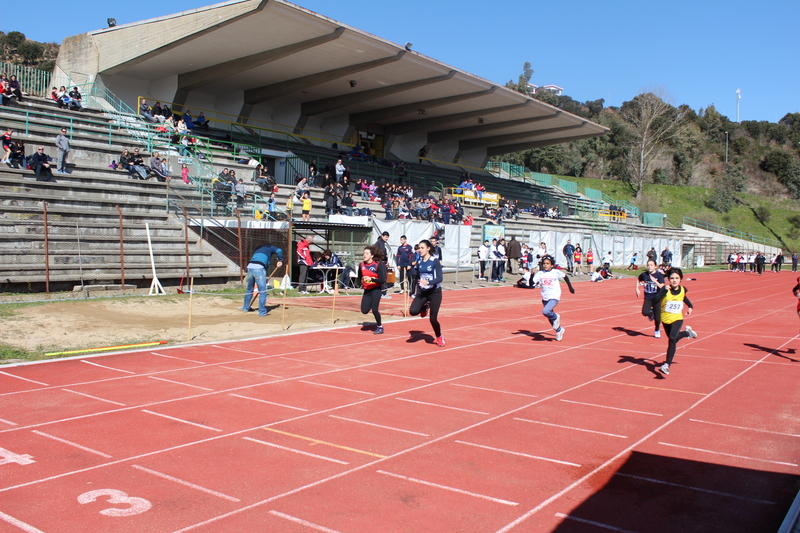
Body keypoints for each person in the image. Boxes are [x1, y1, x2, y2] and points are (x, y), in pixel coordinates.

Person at [652, 267, 697, 376]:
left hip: (677, 318)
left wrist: (690, 306)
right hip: (666, 319)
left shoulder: (683, 289)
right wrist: (663, 291)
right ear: (668, 279)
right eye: (672, 278)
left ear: (680, 279)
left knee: (672, 338)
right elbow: (655, 301)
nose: (674, 280)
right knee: (674, 339)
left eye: (677, 278)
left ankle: (667, 365)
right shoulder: (664, 289)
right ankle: (687, 333)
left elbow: (684, 298)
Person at [409, 239, 446, 346]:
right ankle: (425, 307)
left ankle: (439, 336)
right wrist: (415, 290)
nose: (420, 250)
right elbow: (418, 277)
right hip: (422, 291)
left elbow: (440, 278)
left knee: (433, 319)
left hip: (435, 292)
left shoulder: (434, 260)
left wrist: (428, 282)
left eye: (422, 248)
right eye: (419, 248)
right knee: (413, 311)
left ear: (428, 248)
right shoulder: (419, 261)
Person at [531, 255, 575, 341]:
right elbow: (532, 283)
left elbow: (565, 277)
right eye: (544, 264)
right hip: (545, 297)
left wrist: (570, 288)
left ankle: (556, 317)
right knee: (549, 317)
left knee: (545, 311)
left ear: (552, 265)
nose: (545, 265)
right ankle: (559, 330)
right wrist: (532, 275)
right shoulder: (540, 273)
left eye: (547, 263)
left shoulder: (556, 272)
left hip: (554, 296)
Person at [242, 244, 283, 316]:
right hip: (259, 268)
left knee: (249, 289)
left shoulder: (257, 248)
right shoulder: (270, 247)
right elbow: (279, 250)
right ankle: (262, 312)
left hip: (250, 267)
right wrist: (280, 259)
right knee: (263, 292)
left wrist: (264, 278)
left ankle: (245, 307)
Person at [358, 245, 387, 334]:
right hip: (367, 290)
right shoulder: (361, 265)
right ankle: (370, 303)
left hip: (376, 289)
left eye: (367, 253)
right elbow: (359, 276)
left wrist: (371, 279)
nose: (364, 255)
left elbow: (382, 280)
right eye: (364, 253)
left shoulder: (378, 265)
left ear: (372, 255)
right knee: (364, 311)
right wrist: (362, 283)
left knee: (375, 309)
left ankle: (379, 326)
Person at [636, 259, 666, 338]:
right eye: (648, 265)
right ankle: (651, 313)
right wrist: (637, 289)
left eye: (651, 265)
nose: (649, 267)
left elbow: (662, 286)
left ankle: (657, 330)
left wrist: (655, 281)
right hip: (648, 297)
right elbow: (638, 279)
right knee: (644, 312)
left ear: (655, 266)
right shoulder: (644, 274)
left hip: (657, 298)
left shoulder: (659, 275)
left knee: (658, 317)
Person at [375, 231, 391, 299]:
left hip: (383, 262)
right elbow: (376, 252)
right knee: (383, 278)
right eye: (386, 237)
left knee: (383, 277)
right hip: (380, 262)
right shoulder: (379, 243)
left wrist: (386, 260)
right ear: (382, 236)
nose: (386, 238)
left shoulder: (383, 243)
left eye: (387, 237)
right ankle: (383, 293)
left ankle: (382, 292)